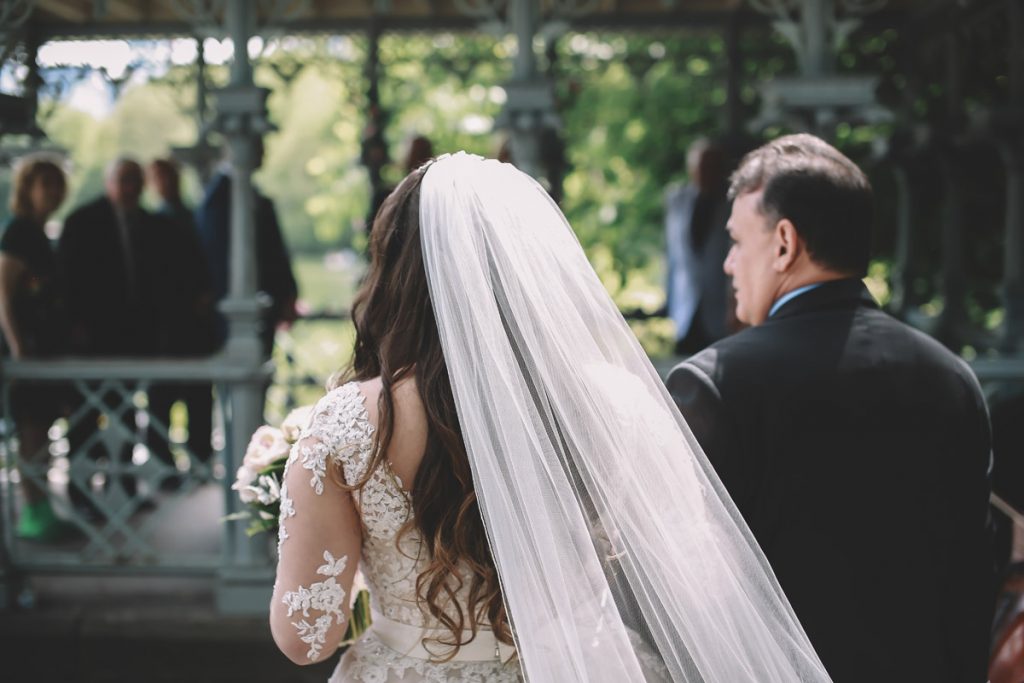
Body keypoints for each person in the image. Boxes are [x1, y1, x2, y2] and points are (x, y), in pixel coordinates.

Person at [270, 153, 831, 681]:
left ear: (396, 272)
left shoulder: (348, 423)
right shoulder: (616, 402)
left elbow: (308, 638)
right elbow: (700, 584)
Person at [666, 134, 995, 683]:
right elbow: (970, 583)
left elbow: (690, 595)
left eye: (737, 241)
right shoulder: (952, 379)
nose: (727, 264)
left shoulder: (715, 383)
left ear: (784, 244)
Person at [57, 157, 163, 516]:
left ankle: (127, 487)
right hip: (90, 340)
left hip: (135, 340)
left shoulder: (150, 224)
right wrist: (74, 328)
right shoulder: (81, 222)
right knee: (85, 419)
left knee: (129, 416)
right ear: (108, 183)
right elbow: (67, 282)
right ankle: (81, 493)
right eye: (123, 180)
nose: (130, 188)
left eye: (136, 180)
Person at [0, 155, 73, 540]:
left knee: (42, 433)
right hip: (26, 351)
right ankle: (33, 512)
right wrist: (17, 349)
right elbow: (4, 295)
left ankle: (42, 506)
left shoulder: (39, 233)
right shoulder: (18, 233)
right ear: (27, 188)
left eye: (57, 184)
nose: (53, 192)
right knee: (31, 434)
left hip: (45, 349)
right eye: (45, 184)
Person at [145, 159, 216, 489]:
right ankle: (163, 469)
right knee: (161, 401)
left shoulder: (195, 216)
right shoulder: (151, 222)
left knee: (199, 399)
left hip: (196, 325)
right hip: (164, 328)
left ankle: (200, 462)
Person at [194, 143, 297, 356]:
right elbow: (218, 261)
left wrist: (287, 293)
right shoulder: (218, 199)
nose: (263, 151)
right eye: (258, 145)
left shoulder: (252, 195)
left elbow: (275, 251)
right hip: (234, 316)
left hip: (262, 308)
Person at [663, 138, 733, 355]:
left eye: (712, 167)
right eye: (701, 166)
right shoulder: (676, 200)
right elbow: (670, 255)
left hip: (721, 312)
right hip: (685, 310)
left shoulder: (733, 203)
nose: (705, 173)